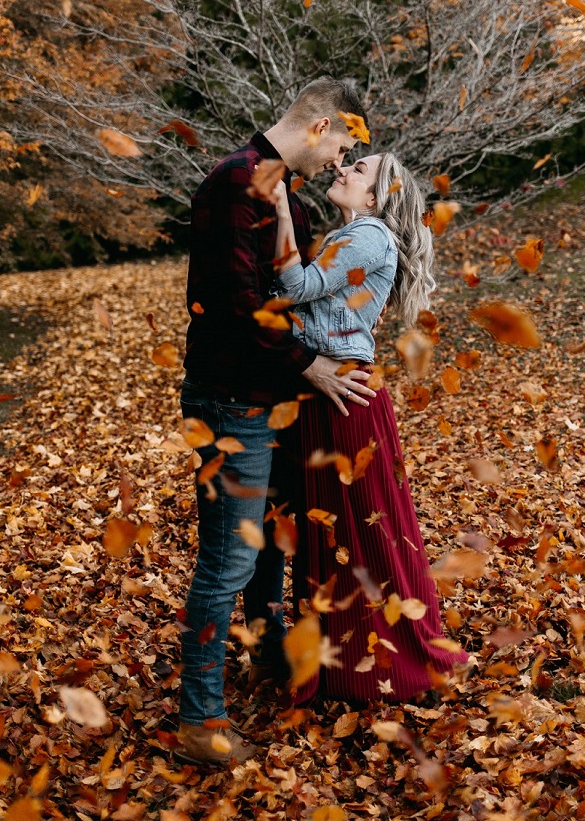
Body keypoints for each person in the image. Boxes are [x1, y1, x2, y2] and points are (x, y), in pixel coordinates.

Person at [176, 79, 377, 767]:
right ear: (320, 125)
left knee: (269, 546)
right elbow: (236, 308)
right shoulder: (236, 183)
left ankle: (266, 659)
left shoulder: (277, 187)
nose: (340, 161)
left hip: (272, 396)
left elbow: (289, 294)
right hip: (232, 399)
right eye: (344, 144)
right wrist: (312, 366)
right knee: (228, 558)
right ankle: (199, 718)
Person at [271, 151, 468, 703]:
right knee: (337, 528)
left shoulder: (368, 237)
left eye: (358, 169)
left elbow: (295, 288)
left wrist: (282, 212)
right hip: (329, 390)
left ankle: (378, 662)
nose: (343, 170)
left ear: (379, 196)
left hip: (344, 397)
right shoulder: (354, 236)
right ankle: (340, 660)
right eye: (347, 163)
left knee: (357, 530)